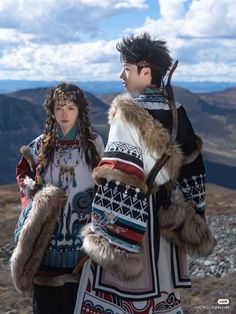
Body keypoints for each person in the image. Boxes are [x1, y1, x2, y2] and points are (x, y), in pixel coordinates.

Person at [74, 33, 214, 314]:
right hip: (168, 224)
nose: (121, 75)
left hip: (134, 228)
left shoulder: (127, 112)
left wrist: (105, 234)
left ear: (145, 71)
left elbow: (118, 177)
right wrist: (193, 219)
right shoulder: (178, 110)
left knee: (116, 297)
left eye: (126, 68)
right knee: (162, 298)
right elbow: (193, 173)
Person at [11, 83, 104, 314]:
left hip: (83, 247)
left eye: (71, 108)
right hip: (46, 247)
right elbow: (24, 176)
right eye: (59, 107)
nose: (64, 114)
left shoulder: (94, 143)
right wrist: (38, 196)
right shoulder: (40, 145)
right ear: (51, 110)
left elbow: (105, 191)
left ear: (80, 111)